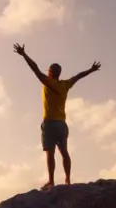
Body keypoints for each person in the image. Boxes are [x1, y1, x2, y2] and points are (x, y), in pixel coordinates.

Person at [13, 44, 102, 189]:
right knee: (64, 152)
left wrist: (24, 54)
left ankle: (51, 181)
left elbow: (34, 68)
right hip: (62, 124)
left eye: (48, 70)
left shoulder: (47, 82)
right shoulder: (65, 84)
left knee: (50, 153)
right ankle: (67, 179)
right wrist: (91, 70)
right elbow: (78, 76)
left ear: (50, 73)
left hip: (49, 124)